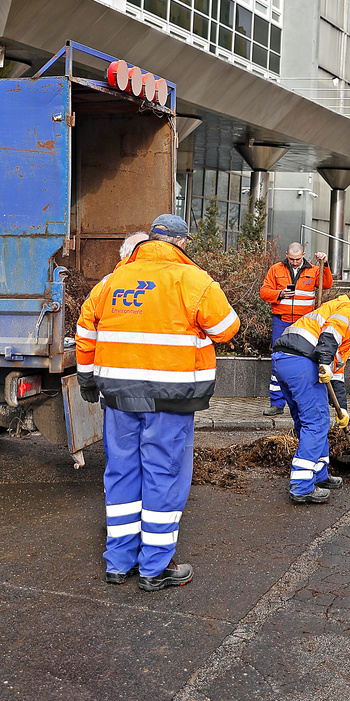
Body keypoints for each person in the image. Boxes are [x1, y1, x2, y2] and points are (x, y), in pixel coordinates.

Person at [76, 213, 239, 591]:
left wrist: (86, 380)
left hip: (118, 396)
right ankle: (154, 568)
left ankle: (118, 562)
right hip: (171, 396)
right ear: (180, 243)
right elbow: (227, 329)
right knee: (163, 474)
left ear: (150, 239)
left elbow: (85, 331)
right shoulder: (193, 280)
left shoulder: (112, 281)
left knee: (120, 472)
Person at [271, 294, 350, 505]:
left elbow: (336, 376)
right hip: (303, 361)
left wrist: (341, 409)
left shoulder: (331, 308)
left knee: (306, 421)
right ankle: (301, 486)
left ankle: (320, 474)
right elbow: (330, 333)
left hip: (283, 358)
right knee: (316, 423)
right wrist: (324, 360)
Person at [259, 242, 332, 414]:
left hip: (304, 323)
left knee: (305, 360)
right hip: (281, 321)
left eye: (298, 259)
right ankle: (277, 404)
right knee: (278, 360)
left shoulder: (314, 270)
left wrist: (325, 263)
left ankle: (302, 401)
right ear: (286, 255)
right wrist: (280, 294)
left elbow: (327, 284)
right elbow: (264, 292)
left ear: (303, 255)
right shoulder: (276, 269)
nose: (294, 262)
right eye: (291, 259)